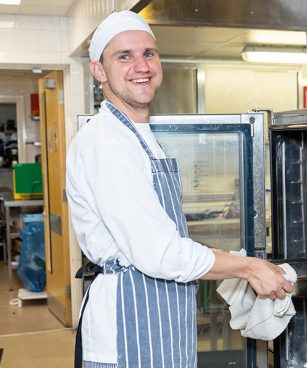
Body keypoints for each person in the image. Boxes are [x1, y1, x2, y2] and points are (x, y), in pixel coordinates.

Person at [66, 10, 293, 368]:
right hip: (129, 334)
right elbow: (159, 252)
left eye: (148, 54)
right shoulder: (106, 143)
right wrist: (246, 267)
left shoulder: (138, 136)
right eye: (124, 56)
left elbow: (160, 235)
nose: (141, 66)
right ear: (99, 71)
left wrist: (224, 258)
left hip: (160, 323)